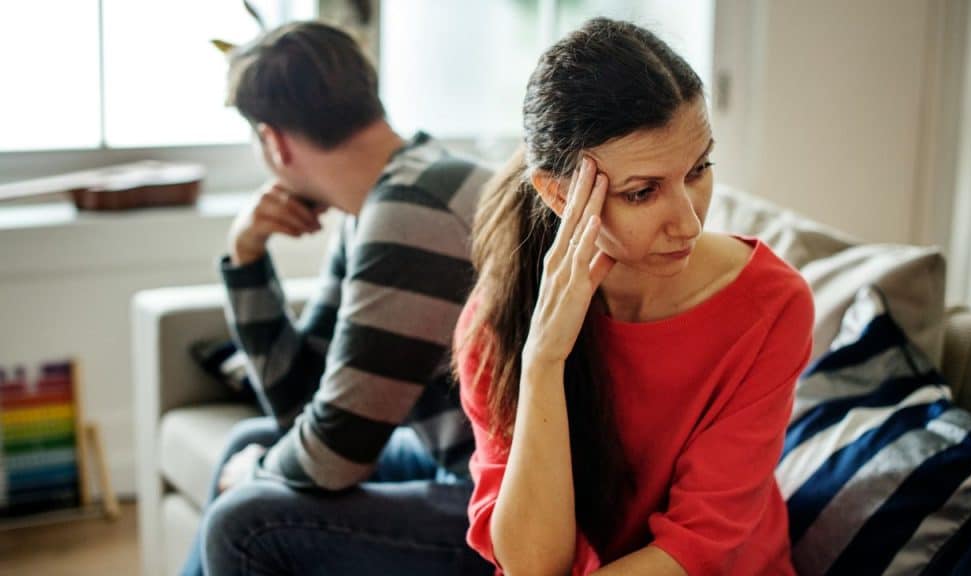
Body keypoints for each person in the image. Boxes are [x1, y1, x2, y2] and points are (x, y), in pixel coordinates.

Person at [455, 17, 814, 576]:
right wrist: (543, 362)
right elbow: (529, 564)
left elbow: (697, 548)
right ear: (557, 193)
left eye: (699, 170)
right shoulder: (497, 319)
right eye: (643, 192)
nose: (689, 222)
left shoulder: (771, 305)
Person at [181, 21, 494, 576]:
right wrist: (246, 255)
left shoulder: (410, 214)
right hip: (472, 469)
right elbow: (302, 403)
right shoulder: (400, 187)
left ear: (274, 141)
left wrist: (257, 475)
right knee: (246, 442)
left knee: (246, 521)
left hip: (513, 508)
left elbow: (334, 458)